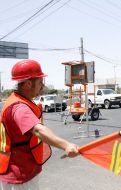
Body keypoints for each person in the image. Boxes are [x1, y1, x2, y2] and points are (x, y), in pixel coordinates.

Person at [0, 60, 79, 190]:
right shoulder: (19, 108)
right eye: (40, 83)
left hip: (22, 172)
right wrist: (66, 145)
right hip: (19, 177)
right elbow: (38, 130)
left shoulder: (17, 100)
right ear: (28, 84)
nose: (42, 87)